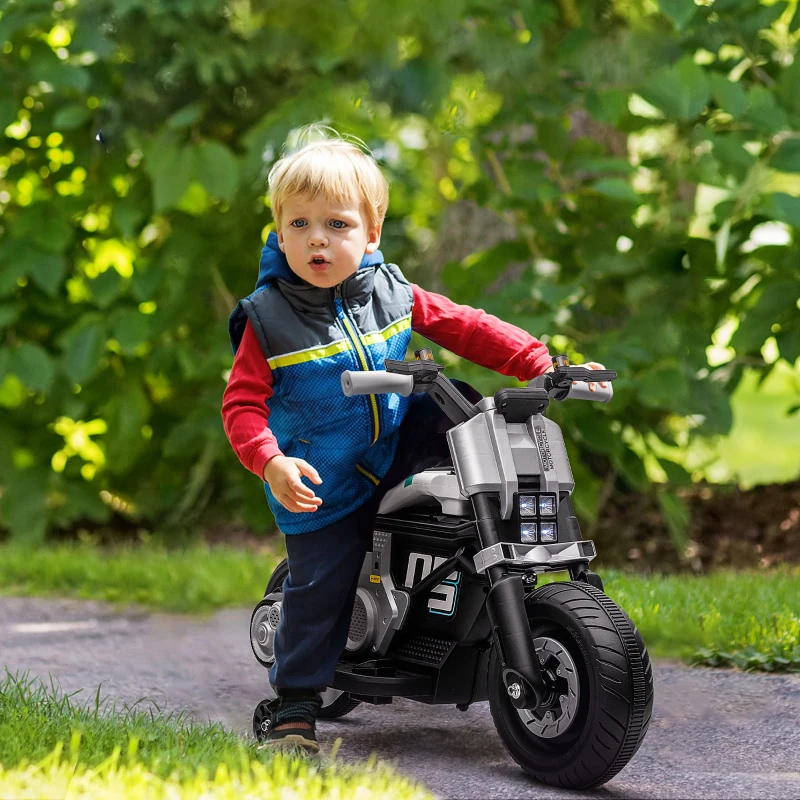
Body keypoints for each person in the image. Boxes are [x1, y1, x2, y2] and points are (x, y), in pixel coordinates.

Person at [222, 124, 607, 752]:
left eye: (337, 224)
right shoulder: (268, 319)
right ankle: (292, 706)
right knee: (323, 579)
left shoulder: (394, 292)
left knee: (465, 404)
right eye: (299, 225)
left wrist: (539, 362)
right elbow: (241, 405)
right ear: (279, 231)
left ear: (371, 231)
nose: (317, 238)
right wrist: (271, 462)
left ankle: (502, 567)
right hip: (325, 477)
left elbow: (466, 325)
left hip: (398, 446)